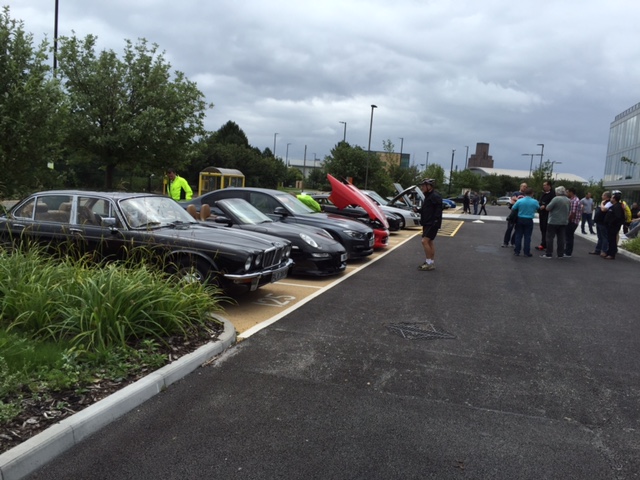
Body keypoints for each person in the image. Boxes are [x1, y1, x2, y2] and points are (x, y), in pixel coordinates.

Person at [417, 178, 443, 271]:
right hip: (427, 222)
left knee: (424, 241)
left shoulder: (435, 196)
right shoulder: (428, 196)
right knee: (430, 242)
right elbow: (427, 210)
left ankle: (429, 263)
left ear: (429, 186)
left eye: (423, 186)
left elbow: (438, 211)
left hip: (432, 223)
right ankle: (430, 262)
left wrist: (435, 222)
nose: (422, 188)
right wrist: (418, 210)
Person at [540, 185, 570, 259]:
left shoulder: (556, 199)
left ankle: (549, 253)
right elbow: (569, 210)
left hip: (553, 221)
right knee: (561, 238)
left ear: (558, 192)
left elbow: (548, 208)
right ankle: (560, 254)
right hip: (563, 221)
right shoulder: (568, 200)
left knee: (550, 237)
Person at [511, 187, 539, 257]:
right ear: (532, 194)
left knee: (518, 236)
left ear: (524, 193)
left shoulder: (520, 201)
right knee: (527, 237)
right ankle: (526, 252)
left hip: (520, 219)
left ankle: (517, 251)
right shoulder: (535, 201)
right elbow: (538, 208)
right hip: (529, 219)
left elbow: (513, 208)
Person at [502, 183, 527, 248]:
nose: (524, 188)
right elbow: (512, 202)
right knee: (509, 228)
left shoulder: (526, 195)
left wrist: (517, 200)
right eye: (523, 186)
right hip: (514, 213)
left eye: (526, 187)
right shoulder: (516, 193)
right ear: (520, 186)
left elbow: (525, 204)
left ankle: (513, 242)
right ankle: (505, 242)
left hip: (521, 214)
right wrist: (519, 202)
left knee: (518, 229)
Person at [603, 190, 625, 260]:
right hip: (610, 226)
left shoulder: (617, 207)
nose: (611, 199)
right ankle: (609, 252)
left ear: (614, 199)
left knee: (612, 240)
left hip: (613, 227)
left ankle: (612, 254)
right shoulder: (614, 206)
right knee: (610, 240)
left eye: (612, 198)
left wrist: (611, 223)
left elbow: (618, 217)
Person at [589, 191, 611, 256]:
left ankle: (604, 250)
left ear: (606, 196)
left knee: (604, 237)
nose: (602, 196)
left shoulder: (608, 203)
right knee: (600, 237)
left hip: (603, 222)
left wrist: (602, 203)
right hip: (599, 222)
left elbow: (603, 209)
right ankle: (597, 250)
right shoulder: (605, 202)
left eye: (603, 195)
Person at [537, 181, 555, 251]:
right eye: (543, 185)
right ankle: (543, 243)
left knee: (546, 230)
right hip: (542, 213)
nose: (544, 186)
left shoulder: (552, 194)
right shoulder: (543, 193)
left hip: (548, 214)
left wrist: (545, 206)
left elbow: (552, 204)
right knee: (542, 229)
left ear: (549, 186)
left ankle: (546, 245)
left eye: (545, 185)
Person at [564, 188, 582, 257]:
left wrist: (568, 220)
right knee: (568, 236)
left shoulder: (575, 201)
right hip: (573, 221)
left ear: (571, 192)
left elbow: (573, 213)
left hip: (572, 221)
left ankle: (568, 252)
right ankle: (567, 250)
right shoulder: (572, 200)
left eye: (568, 192)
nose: (567, 193)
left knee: (569, 237)